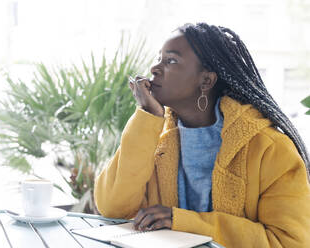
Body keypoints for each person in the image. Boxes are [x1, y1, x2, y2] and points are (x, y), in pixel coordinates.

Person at [94, 23, 310, 247]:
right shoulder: (157, 140)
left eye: (171, 61)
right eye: (158, 58)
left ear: (206, 80)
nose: (154, 68)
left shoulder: (270, 148)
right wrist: (148, 116)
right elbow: (112, 206)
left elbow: (290, 243)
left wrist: (186, 223)